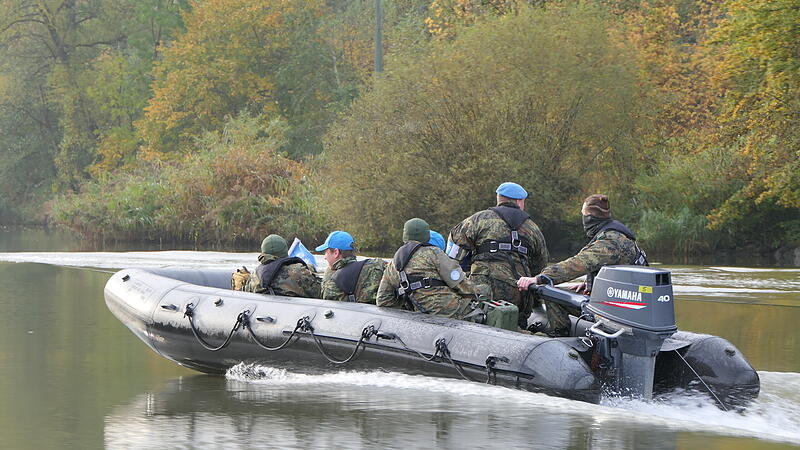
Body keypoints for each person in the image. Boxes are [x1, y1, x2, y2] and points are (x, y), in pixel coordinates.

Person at [517, 194, 648, 335]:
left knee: (552, 294)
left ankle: (558, 334)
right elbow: (615, 268)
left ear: (589, 217)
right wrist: (590, 284)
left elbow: (576, 265)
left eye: (583, 215)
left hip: (618, 309)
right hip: (624, 302)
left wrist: (539, 278)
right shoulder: (618, 236)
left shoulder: (609, 242)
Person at [448, 182, 549, 328]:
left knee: (477, 324)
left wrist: (461, 270)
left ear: (499, 198)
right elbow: (540, 265)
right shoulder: (532, 228)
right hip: (518, 293)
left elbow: (453, 250)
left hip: (482, 290)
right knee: (516, 327)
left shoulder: (478, 220)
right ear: (519, 201)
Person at [377, 218, 486, 319]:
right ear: (427, 235)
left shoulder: (394, 263)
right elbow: (461, 284)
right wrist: (478, 294)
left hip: (417, 313)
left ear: (405, 235)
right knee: (486, 300)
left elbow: (383, 300)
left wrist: (406, 312)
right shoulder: (434, 253)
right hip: (448, 312)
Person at [231, 234, 321, 298]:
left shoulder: (255, 275)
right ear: (285, 251)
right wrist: (311, 271)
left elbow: (246, 292)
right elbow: (319, 293)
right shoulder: (298, 272)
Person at [316, 231, 386, 304]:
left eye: (326, 252)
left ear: (336, 253)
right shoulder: (377, 266)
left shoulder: (332, 284)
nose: (325, 257)